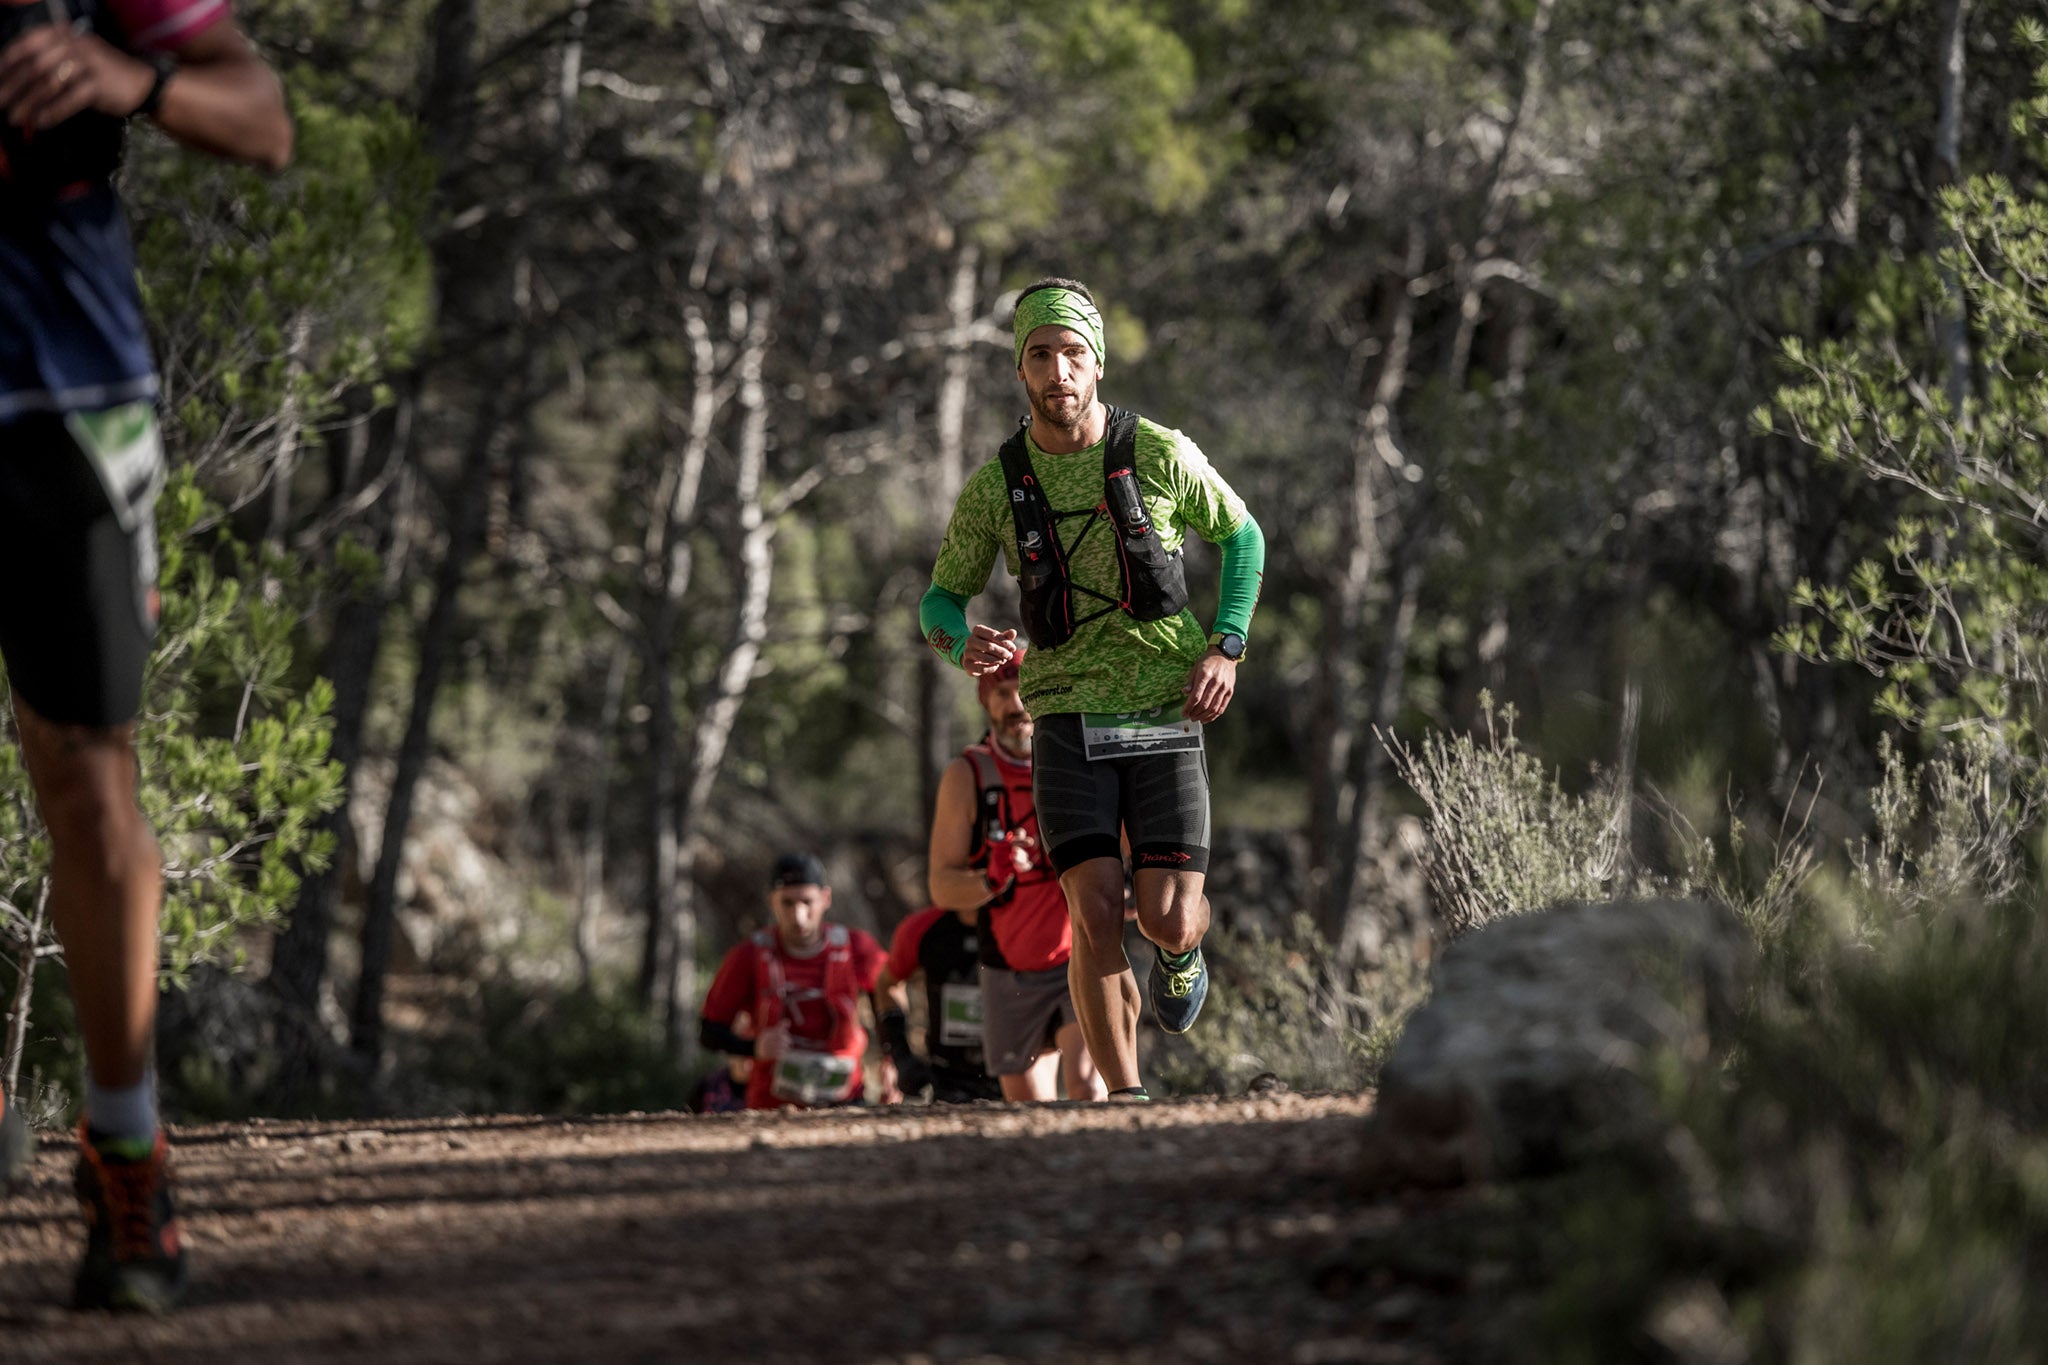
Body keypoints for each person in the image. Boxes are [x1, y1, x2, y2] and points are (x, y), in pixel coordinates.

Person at [0, 0, 290, 1313]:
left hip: (69, 393)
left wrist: (132, 76)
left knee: (83, 775)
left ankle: (127, 1149)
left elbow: (262, 119)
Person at [919, 277, 1265, 1102]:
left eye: (1073, 353)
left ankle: (1183, 951)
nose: (1058, 371)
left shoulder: (1158, 453)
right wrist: (963, 644)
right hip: (1066, 710)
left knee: (1167, 914)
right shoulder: (997, 486)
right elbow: (939, 600)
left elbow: (1242, 535)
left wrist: (1227, 646)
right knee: (1095, 906)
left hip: (1163, 704)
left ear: (1098, 364)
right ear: (1020, 372)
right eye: (1040, 355)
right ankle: (1127, 1094)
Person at [925, 649, 1103, 1102]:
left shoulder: (1079, 759)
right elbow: (942, 888)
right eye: (1002, 693)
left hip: (1077, 957)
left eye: (1024, 689)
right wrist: (991, 876)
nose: (1016, 704)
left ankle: (1104, 1167)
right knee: (1028, 1109)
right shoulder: (968, 776)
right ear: (986, 702)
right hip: (1007, 967)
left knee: (1087, 1083)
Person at [699, 854, 894, 1111]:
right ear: (772, 903)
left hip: (845, 1100)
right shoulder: (749, 956)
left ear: (826, 898)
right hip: (771, 1106)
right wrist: (754, 1047)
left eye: (807, 902)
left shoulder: (856, 947)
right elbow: (709, 1032)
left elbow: (889, 996)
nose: (798, 915)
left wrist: (892, 1059)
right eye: (787, 903)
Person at [874, 905, 1002, 1104]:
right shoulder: (923, 927)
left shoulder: (1021, 922)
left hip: (1013, 1070)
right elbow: (887, 983)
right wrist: (900, 1053)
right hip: (947, 1078)